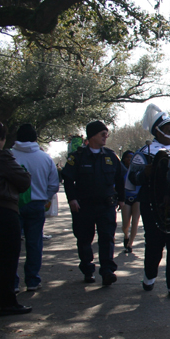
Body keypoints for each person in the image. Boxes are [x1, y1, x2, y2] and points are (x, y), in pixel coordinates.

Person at [127, 105, 170, 298]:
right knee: (155, 243)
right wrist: (144, 173)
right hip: (153, 204)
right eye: (169, 131)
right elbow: (132, 179)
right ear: (158, 132)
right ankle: (150, 275)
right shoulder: (144, 152)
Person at [61, 121, 126, 285]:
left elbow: (120, 178)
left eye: (107, 134)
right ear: (92, 136)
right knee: (84, 240)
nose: (105, 137)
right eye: (102, 134)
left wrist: (122, 198)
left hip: (106, 206)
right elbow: (68, 179)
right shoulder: (77, 157)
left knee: (107, 238)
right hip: (84, 206)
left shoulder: (111, 156)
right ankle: (88, 269)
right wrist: (72, 199)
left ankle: (107, 271)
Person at [11, 124, 59, 292]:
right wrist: (45, 197)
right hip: (37, 204)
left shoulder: (9, 155)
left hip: (13, 205)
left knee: (11, 245)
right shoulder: (44, 158)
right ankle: (32, 280)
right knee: (34, 243)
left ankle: (12, 282)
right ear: (35, 138)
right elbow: (54, 184)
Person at [0, 121, 32, 315]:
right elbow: (23, 180)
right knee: (7, 258)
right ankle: (7, 301)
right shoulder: (3, 158)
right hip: (4, 211)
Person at [120, 150, 141, 254]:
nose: (130, 159)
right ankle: (126, 235)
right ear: (124, 159)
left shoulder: (138, 170)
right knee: (125, 223)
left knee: (135, 222)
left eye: (132, 158)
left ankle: (130, 244)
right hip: (126, 198)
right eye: (128, 157)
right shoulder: (122, 170)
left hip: (137, 198)